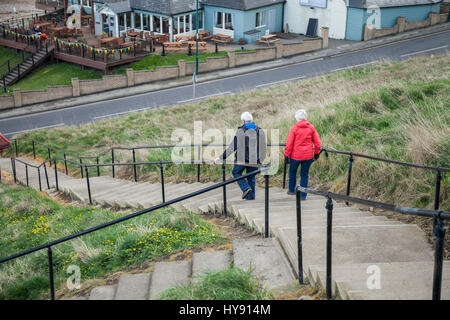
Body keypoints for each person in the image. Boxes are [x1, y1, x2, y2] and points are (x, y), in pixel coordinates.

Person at [215, 112, 266, 200]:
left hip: (241, 159)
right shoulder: (260, 130)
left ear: (243, 121)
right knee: (251, 177)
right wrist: (261, 159)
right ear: (251, 120)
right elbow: (263, 146)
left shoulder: (241, 131)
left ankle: (245, 188)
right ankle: (251, 198)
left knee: (236, 173)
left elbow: (233, 146)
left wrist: (221, 157)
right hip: (255, 159)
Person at [285, 109, 321, 199]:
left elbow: (289, 144)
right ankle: (303, 195)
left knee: (292, 172)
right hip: (308, 156)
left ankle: (292, 190)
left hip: (295, 156)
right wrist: (316, 153)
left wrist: (287, 155)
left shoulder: (294, 129)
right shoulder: (311, 128)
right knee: (304, 175)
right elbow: (317, 142)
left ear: (297, 118)